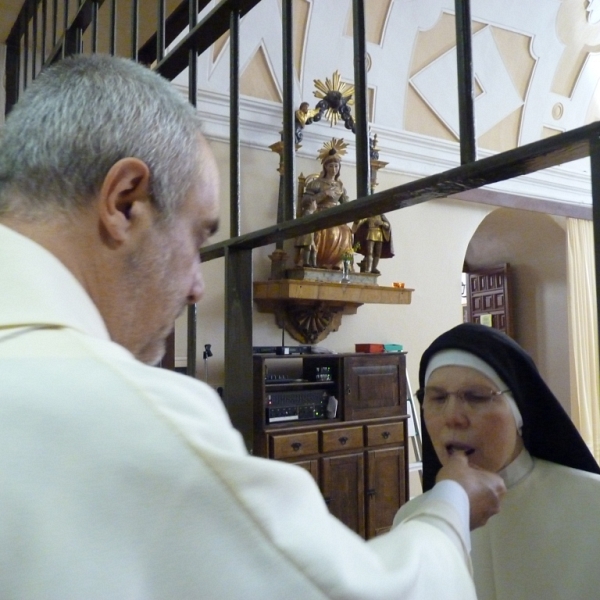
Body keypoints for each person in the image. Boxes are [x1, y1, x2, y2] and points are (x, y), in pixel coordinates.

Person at [0, 54, 505, 599]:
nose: (197, 286)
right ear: (124, 202)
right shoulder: (133, 414)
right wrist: (447, 505)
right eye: (197, 239)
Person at [394, 323, 600, 600]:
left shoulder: (592, 502)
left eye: (477, 397)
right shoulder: (412, 520)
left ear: (519, 413)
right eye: (438, 398)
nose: (452, 416)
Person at [302, 143, 353, 269]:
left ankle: (338, 262)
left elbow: (346, 203)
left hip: (336, 215)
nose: (334, 169)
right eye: (331, 166)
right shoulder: (316, 183)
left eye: (336, 166)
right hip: (320, 213)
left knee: (347, 231)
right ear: (325, 167)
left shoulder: (340, 185)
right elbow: (305, 201)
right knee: (328, 231)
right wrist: (324, 194)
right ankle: (322, 261)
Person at [294, 195, 318, 267]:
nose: (316, 205)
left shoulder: (310, 214)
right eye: (315, 203)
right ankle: (306, 262)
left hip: (310, 234)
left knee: (314, 249)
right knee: (308, 247)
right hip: (307, 234)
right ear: (310, 204)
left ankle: (314, 264)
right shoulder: (307, 213)